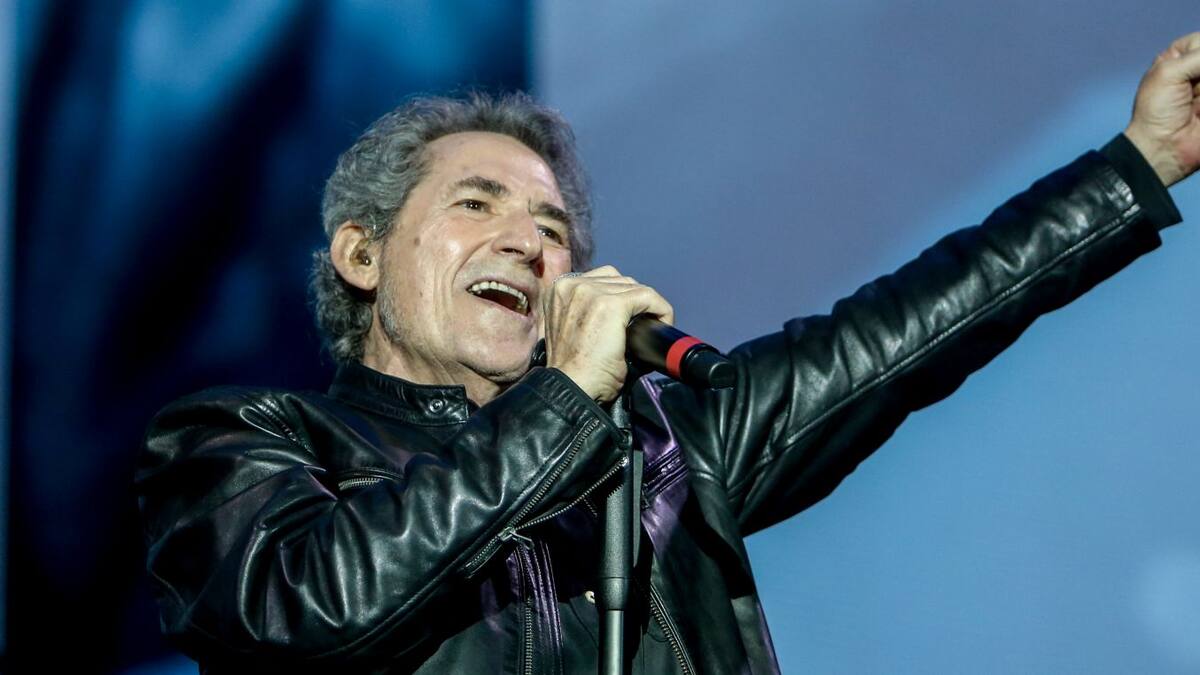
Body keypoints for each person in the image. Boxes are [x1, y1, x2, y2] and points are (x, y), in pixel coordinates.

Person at [136, 32, 1200, 674]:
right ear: (362, 254)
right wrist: (561, 401)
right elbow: (305, 610)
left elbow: (909, 325)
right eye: (476, 203)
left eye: (552, 228)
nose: (527, 242)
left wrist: (1137, 165)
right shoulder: (244, 440)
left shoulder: (662, 451)